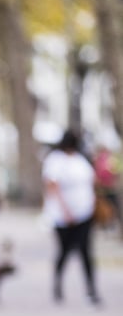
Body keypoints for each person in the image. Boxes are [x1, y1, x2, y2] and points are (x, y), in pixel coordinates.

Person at [42, 129, 100, 304]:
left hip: (85, 213)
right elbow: (52, 186)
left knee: (85, 252)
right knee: (64, 251)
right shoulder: (55, 160)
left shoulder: (80, 159)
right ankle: (57, 285)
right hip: (63, 216)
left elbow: (91, 181)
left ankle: (91, 291)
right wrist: (65, 210)